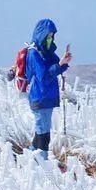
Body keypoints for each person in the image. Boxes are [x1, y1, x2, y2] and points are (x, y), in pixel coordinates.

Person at [26, 18, 72, 159]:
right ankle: (41, 159)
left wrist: (63, 63)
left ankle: (32, 156)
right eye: (49, 35)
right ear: (42, 34)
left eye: (52, 36)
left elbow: (54, 67)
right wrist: (60, 65)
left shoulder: (47, 52)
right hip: (40, 97)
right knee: (43, 131)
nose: (50, 38)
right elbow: (44, 76)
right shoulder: (34, 53)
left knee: (42, 129)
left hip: (47, 97)